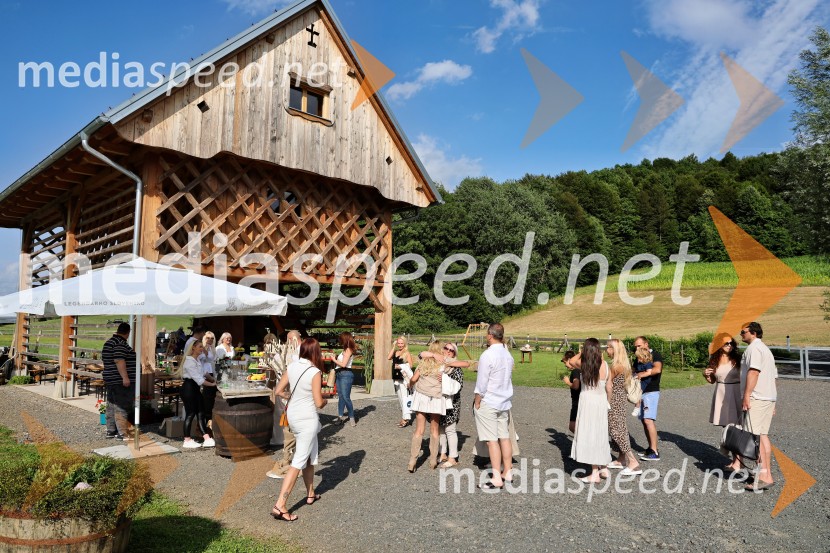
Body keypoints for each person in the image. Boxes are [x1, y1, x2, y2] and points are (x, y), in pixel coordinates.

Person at [270, 338, 328, 522]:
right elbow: (319, 403)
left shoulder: (292, 366)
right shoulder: (315, 372)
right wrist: (326, 399)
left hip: (293, 416)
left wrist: (292, 396)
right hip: (307, 418)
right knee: (298, 461)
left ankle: (310, 493)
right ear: (315, 353)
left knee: (310, 455)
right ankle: (280, 504)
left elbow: (279, 390)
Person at [473, 323, 514, 489]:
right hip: (503, 400)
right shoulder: (507, 354)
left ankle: (496, 476)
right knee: (504, 436)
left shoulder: (487, 355)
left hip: (489, 400)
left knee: (492, 440)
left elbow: (482, 380)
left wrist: (477, 398)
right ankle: (508, 471)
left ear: (490, 335)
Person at [739, 322, 777, 491]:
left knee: (756, 438)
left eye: (743, 332)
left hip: (757, 397)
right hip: (767, 397)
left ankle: (764, 476)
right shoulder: (765, 350)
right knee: (762, 435)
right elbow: (773, 376)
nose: (741, 335)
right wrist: (773, 401)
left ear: (753, 333)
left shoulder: (754, 349)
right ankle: (765, 473)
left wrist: (747, 395)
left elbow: (754, 372)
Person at [423, 342, 473, 468]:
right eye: (446, 348)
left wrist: (445, 378)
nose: (448, 351)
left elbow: (459, 385)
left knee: (450, 430)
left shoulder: (455, 367)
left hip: (452, 403)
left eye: (452, 350)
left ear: (454, 353)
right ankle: (443, 453)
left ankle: (453, 457)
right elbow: (421, 354)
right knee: (440, 428)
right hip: (439, 401)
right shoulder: (438, 362)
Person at [570, 338, 612, 483]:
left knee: (590, 433)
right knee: (600, 433)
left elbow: (571, 362)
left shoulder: (583, 364)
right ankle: (604, 467)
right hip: (601, 400)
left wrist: (581, 352)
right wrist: (608, 402)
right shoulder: (606, 365)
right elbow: (609, 387)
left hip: (588, 401)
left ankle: (594, 473)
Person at [704, 332, 743, 470]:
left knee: (735, 427)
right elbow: (713, 380)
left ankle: (738, 462)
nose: (730, 346)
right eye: (726, 343)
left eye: (731, 343)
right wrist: (706, 375)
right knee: (727, 427)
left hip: (736, 392)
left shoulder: (738, 359)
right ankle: (736, 460)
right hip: (721, 393)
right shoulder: (714, 360)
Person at [407, 341, 447, 472]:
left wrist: (410, 384)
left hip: (422, 397)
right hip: (436, 397)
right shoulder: (443, 365)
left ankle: (413, 460)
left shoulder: (423, 364)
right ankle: (433, 460)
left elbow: (413, 378)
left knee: (419, 430)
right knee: (434, 430)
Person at [267, 330, 302, 480]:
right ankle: (289, 455)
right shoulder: (290, 352)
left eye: (289, 340)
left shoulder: (296, 353)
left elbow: (280, 388)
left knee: (290, 425)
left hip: (293, 394)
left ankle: (290, 457)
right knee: (288, 423)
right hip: (292, 393)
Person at [605, 339, 641, 476]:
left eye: (608, 347)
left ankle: (633, 462)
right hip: (619, 399)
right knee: (618, 428)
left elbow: (606, 383)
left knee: (616, 431)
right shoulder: (622, 364)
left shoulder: (616, 367)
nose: (606, 350)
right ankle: (621, 459)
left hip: (614, 401)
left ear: (615, 350)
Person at [101, 322, 136, 440]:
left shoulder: (109, 342)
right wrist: (125, 378)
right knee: (122, 405)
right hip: (119, 380)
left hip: (111, 379)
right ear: (128, 332)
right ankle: (122, 433)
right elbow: (119, 360)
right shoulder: (120, 343)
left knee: (111, 405)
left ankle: (111, 430)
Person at [181, 340, 216, 449]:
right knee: (190, 414)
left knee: (201, 413)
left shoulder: (197, 360)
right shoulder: (189, 361)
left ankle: (206, 438)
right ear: (193, 348)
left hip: (195, 389)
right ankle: (186, 440)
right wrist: (212, 384)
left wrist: (213, 379)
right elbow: (199, 379)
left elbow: (203, 373)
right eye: (200, 347)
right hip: (189, 388)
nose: (202, 349)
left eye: (202, 347)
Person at [633, 336, 663, 461]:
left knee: (648, 420)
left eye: (639, 346)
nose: (637, 348)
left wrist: (642, 374)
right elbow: (633, 370)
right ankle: (650, 448)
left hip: (651, 391)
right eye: (635, 346)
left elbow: (657, 369)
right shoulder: (637, 357)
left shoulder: (655, 355)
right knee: (644, 421)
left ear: (646, 344)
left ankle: (655, 451)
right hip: (641, 391)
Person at [331, 332, 357, 426]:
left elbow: (343, 364)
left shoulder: (348, 350)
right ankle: (340, 416)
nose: (339, 340)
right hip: (340, 373)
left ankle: (351, 417)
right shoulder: (345, 349)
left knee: (346, 397)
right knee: (341, 397)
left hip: (345, 373)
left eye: (341, 339)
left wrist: (334, 359)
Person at [389, 336, 415, 428]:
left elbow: (411, 365)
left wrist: (401, 366)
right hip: (396, 377)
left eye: (401, 343)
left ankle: (406, 418)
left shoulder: (406, 353)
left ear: (405, 344)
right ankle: (404, 417)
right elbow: (389, 357)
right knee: (400, 398)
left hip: (403, 378)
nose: (400, 345)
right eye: (398, 343)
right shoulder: (396, 352)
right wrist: (393, 346)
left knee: (405, 398)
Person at [201, 331, 218, 424]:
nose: (210, 340)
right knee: (207, 396)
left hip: (211, 373)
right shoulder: (202, 348)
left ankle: (210, 418)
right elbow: (201, 360)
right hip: (204, 374)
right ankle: (207, 418)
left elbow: (212, 361)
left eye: (212, 338)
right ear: (204, 338)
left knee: (211, 396)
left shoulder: (212, 348)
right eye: (208, 338)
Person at [561, 351, 579, 434]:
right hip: (577, 400)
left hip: (577, 401)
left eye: (565, 362)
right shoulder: (578, 369)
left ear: (569, 360)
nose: (565, 365)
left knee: (572, 426)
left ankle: (583, 442)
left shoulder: (575, 371)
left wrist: (568, 382)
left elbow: (576, 386)